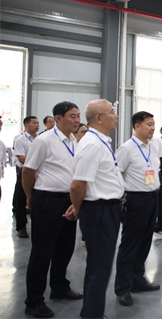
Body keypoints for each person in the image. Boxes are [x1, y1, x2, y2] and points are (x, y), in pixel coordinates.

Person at [21, 102, 82, 318]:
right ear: (58, 118)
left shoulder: (74, 140)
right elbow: (28, 171)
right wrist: (31, 197)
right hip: (47, 200)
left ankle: (59, 286)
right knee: (42, 252)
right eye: (72, 116)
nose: (77, 120)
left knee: (65, 248)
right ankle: (34, 301)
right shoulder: (44, 141)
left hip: (68, 200)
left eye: (78, 116)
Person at [67, 99, 124, 319]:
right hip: (99, 211)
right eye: (112, 112)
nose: (116, 116)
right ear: (99, 118)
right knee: (99, 268)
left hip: (107, 209)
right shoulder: (92, 144)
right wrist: (78, 209)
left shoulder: (101, 141)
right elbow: (77, 185)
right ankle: (91, 315)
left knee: (102, 266)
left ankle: (93, 312)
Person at [113, 111, 162, 307]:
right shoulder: (126, 149)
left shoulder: (152, 146)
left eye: (153, 124)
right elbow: (117, 174)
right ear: (137, 126)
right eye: (149, 124)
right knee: (130, 244)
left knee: (144, 242)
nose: (152, 128)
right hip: (135, 199)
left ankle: (138, 279)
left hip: (153, 197)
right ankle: (123, 288)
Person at [14, 115, 39, 238]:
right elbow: (21, 158)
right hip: (24, 172)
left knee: (36, 198)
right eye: (34, 123)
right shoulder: (21, 140)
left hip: (37, 172)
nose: (37, 125)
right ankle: (21, 227)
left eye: (37, 123)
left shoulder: (40, 139)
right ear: (26, 125)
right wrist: (37, 160)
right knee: (21, 199)